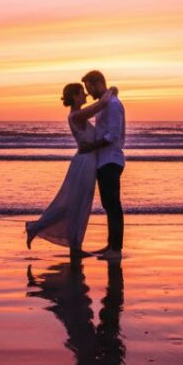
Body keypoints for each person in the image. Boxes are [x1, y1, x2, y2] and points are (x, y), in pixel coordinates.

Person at [25, 82, 117, 257]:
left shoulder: (78, 115)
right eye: (82, 92)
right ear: (75, 96)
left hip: (87, 162)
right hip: (84, 164)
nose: (86, 95)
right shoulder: (76, 116)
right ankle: (41, 230)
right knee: (76, 204)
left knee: (79, 204)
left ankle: (74, 245)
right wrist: (111, 90)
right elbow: (102, 104)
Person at [78, 70, 126, 260]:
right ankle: (111, 245)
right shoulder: (105, 104)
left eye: (89, 87)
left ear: (97, 82)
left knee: (113, 205)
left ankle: (116, 249)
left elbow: (113, 136)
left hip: (111, 160)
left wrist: (91, 147)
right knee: (109, 205)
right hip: (104, 160)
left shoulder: (112, 104)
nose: (88, 93)